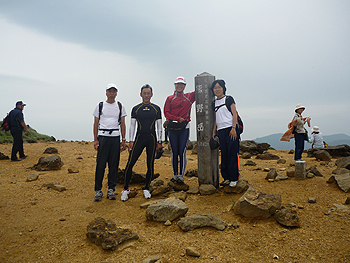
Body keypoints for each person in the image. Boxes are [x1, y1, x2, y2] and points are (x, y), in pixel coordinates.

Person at [121, 84, 163, 201]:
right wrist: (131, 141)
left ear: (151, 95)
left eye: (148, 93)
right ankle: (125, 189)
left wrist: (160, 141)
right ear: (140, 94)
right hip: (139, 138)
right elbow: (132, 126)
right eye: (144, 93)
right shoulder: (136, 109)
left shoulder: (156, 109)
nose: (146, 95)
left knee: (150, 164)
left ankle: (147, 188)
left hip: (152, 139)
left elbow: (159, 126)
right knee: (130, 163)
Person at [92, 83, 127, 201]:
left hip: (115, 137)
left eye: (114, 91)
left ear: (116, 93)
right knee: (100, 164)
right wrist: (95, 139)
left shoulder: (120, 106)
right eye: (109, 91)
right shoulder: (100, 105)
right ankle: (98, 190)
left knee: (114, 164)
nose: (112, 93)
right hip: (103, 137)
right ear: (106, 93)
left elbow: (123, 123)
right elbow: (96, 123)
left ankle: (111, 189)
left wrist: (123, 140)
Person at [164, 76, 195, 184]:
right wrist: (177, 118)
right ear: (175, 85)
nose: (180, 86)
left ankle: (181, 175)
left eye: (182, 84)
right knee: (174, 152)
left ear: (185, 86)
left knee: (182, 152)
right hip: (173, 127)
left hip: (184, 128)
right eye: (178, 84)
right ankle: (175, 174)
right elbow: (166, 113)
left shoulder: (189, 97)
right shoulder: (169, 98)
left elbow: (200, 89)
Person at [211, 80, 240, 187]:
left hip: (230, 129)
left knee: (232, 153)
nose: (217, 90)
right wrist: (214, 131)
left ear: (223, 88)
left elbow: (234, 114)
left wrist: (233, 128)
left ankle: (234, 177)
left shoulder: (229, 99)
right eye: (215, 88)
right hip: (221, 130)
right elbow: (215, 118)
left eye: (219, 87)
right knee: (224, 154)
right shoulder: (213, 102)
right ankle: (226, 177)